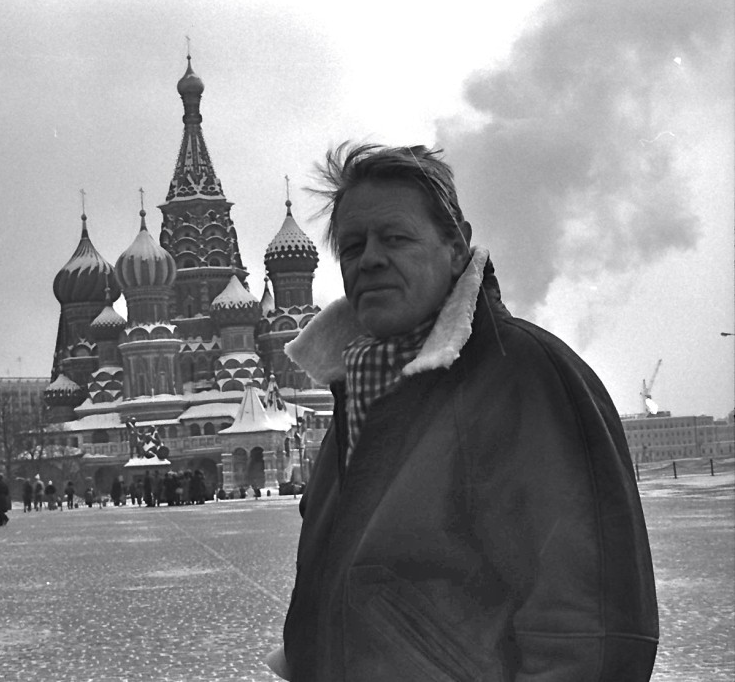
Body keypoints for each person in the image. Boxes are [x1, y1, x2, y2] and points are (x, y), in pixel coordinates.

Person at [267, 144, 658, 681]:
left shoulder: (522, 374)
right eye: (353, 246)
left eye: (396, 238)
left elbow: (590, 630)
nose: (371, 258)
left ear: (457, 247)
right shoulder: (354, 388)